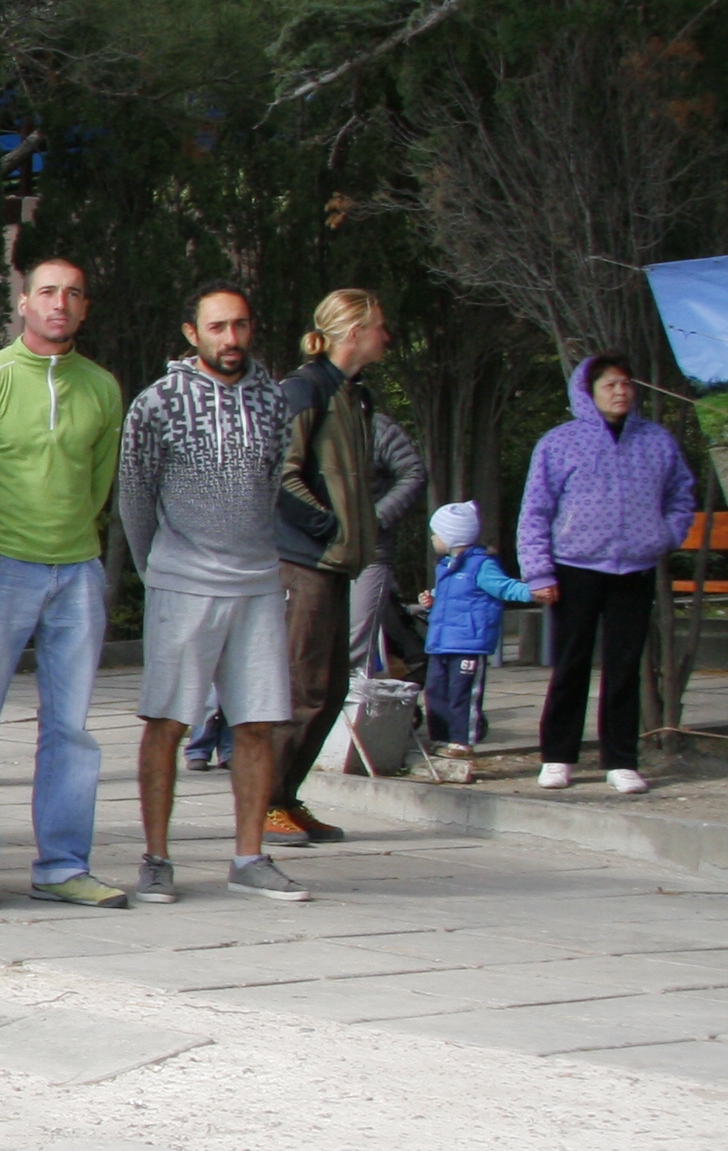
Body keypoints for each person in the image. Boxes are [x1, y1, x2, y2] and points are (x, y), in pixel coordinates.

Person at [0, 253, 128, 909]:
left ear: (85, 307)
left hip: (77, 569)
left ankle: (63, 865)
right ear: (23, 302)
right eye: (47, 291)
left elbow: (99, 481)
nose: (60, 304)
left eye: (74, 294)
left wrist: (72, 542)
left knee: (71, 728)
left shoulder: (103, 388)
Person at [117, 281, 305, 903]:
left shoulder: (273, 401)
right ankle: (156, 858)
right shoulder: (158, 403)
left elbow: (275, 479)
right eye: (219, 327)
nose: (232, 339)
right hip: (182, 580)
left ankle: (250, 857)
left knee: (257, 722)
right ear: (192, 334)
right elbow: (136, 496)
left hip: (255, 580)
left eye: (241, 326)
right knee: (167, 720)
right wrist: (158, 570)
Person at [516, 352, 698, 794]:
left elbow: (681, 495)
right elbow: (535, 510)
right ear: (588, 391)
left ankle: (621, 759)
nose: (620, 391)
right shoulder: (560, 443)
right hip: (575, 567)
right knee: (571, 663)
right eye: (610, 385)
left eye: (625, 384)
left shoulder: (657, 441)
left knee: (624, 665)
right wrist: (538, 571)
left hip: (633, 568)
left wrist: (664, 535)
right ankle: (558, 756)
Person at [267, 288, 392, 843]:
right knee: (302, 688)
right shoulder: (305, 389)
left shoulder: (354, 395)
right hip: (304, 562)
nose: (387, 336)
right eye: (379, 326)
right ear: (353, 331)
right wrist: (326, 526)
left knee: (332, 687)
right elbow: (278, 471)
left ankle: (287, 797)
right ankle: (264, 803)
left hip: (338, 563)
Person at [414, 500, 533, 756]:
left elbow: (505, 587)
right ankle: (441, 736)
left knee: (462, 693)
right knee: (435, 691)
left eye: (436, 533)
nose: (433, 538)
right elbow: (451, 595)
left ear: (451, 537)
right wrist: (432, 599)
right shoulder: (445, 566)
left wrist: (533, 592)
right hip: (441, 642)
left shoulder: (481, 565)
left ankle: (462, 741)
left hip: (468, 643)